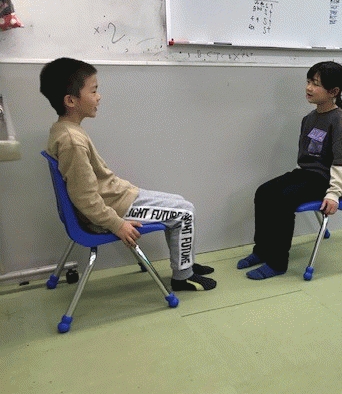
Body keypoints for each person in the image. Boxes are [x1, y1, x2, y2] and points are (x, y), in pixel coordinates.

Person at [39, 57, 216, 291]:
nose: (99, 97)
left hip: (118, 197)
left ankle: (187, 263)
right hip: (114, 209)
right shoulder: (72, 141)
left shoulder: (65, 130)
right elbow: (84, 197)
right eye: (93, 91)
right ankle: (183, 276)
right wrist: (117, 224)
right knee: (185, 213)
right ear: (71, 100)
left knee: (181, 202)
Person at [237, 61, 342, 280]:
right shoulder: (309, 119)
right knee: (264, 192)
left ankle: (277, 262)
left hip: (324, 180)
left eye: (316, 84)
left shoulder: (339, 121)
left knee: (283, 200)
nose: (309, 88)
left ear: (333, 91)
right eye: (309, 81)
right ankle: (262, 250)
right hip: (306, 175)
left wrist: (334, 193)